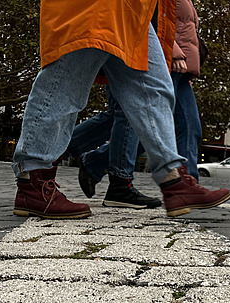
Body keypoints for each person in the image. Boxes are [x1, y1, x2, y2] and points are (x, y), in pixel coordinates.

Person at [12, 0, 230, 219]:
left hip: (134, 12)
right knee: (65, 84)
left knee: (155, 90)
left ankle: (174, 180)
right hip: (93, 6)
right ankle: (33, 180)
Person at [74, 0, 204, 209]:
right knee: (136, 121)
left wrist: (186, 63)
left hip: (177, 66)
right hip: (150, 54)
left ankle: (188, 183)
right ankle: (71, 152)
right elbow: (151, 16)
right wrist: (173, 51)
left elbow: (182, 27)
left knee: (184, 125)